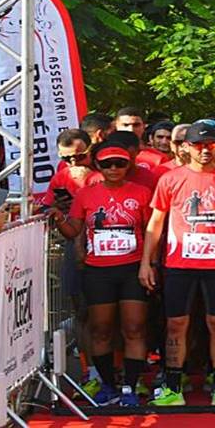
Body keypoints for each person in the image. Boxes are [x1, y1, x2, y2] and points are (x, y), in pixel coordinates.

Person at [139, 120, 215, 407]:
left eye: (211, 145)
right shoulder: (170, 178)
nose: (206, 150)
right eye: (199, 145)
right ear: (186, 147)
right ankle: (173, 386)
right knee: (176, 323)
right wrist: (146, 263)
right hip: (179, 264)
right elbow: (156, 223)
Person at [47, 143, 152, 407]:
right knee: (101, 330)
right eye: (107, 164)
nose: (113, 169)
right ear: (98, 167)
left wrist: (151, 264)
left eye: (119, 163)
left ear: (128, 166)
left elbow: (153, 232)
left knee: (134, 328)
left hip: (132, 267)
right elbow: (73, 231)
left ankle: (130, 385)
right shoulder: (86, 195)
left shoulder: (141, 193)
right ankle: (107, 384)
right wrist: (59, 219)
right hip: (98, 270)